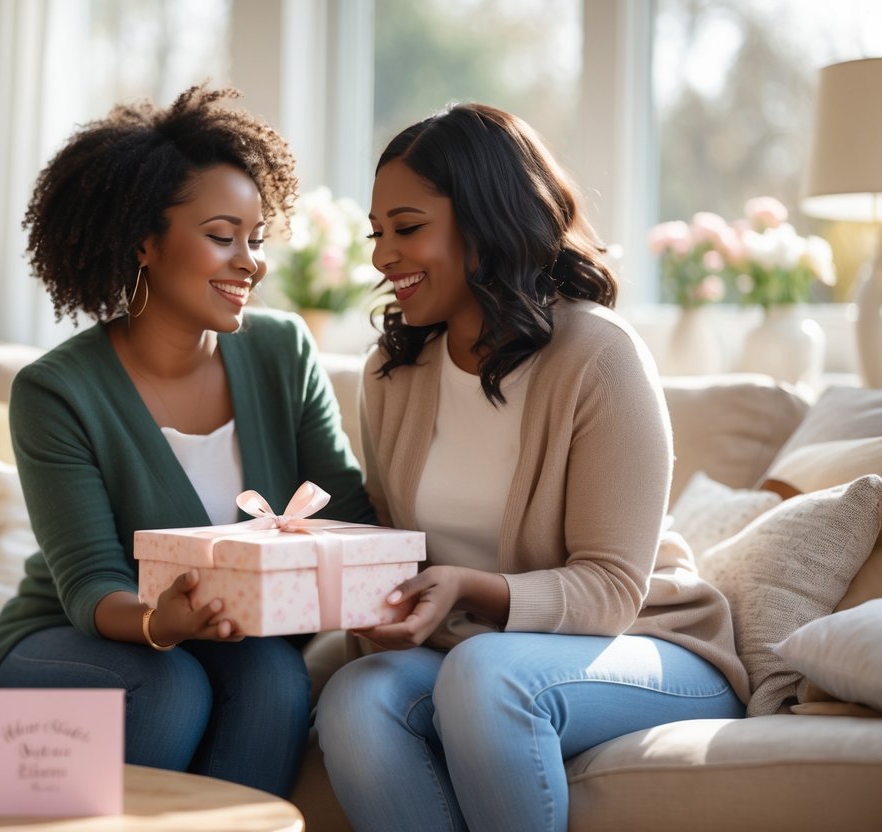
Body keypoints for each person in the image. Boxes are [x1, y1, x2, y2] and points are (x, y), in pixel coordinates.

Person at [315, 103, 750, 831]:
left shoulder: (597, 357)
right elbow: (397, 551)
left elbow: (612, 589)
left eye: (408, 227)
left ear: (485, 222)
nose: (382, 256)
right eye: (377, 233)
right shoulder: (391, 375)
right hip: (470, 652)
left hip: (642, 646)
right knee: (355, 696)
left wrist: (466, 587)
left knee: (486, 678)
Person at [0, 86, 374, 799]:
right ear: (142, 242)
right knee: (168, 686)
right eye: (223, 236)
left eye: (256, 238)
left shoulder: (281, 351)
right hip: (73, 639)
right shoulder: (57, 390)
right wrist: (164, 620)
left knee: (276, 678)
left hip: (227, 640)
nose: (250, 261)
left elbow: (346, 508)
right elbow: (91, 583)